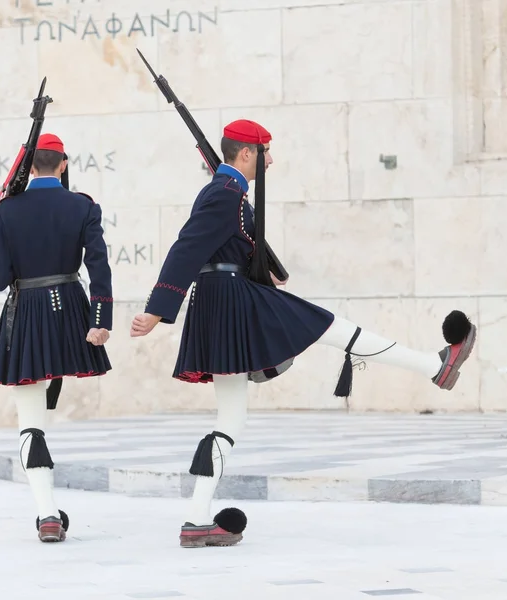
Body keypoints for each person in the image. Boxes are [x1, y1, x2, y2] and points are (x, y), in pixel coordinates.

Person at [130, 119, 476, 548]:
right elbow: (187, 247)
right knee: (330, 325)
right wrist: (158, 310)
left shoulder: (229, 192)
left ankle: (197, 520)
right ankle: (433, 366)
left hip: (224, 302)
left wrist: (263, 272)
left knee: (230, 420)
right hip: (232, 300)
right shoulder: (224, 193)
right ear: (246, 154)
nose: (271, 160)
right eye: (266, 152)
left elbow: (227, 245)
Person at [0, 133, 113, 543]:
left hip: (28, 315)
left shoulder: (6, 212)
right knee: (42, 409)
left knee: (30, 422)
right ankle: (48, 510)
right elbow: (100, 267)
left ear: (29, 168)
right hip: (70, 309)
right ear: (64, 164)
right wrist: (100, 318)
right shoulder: (83, 206)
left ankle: (47, 513)